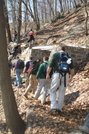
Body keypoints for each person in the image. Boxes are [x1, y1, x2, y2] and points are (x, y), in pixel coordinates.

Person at [46, 46, 74, 114]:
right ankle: (59, 109)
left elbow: (50, 66)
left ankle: (54, 106)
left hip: (57, 74)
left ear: (58, 50)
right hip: (66, 75)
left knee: (52, 90)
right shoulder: (68, 57)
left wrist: (47, 74)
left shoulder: (55, 55)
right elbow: (72, 69)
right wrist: (71, 77)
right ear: (65, 50)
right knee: (62, 92)